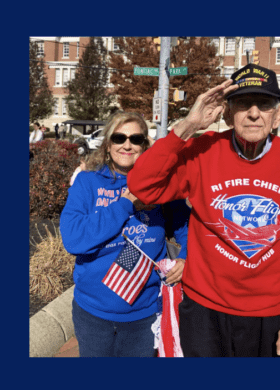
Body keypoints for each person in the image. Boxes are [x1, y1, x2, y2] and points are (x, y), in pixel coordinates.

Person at [127, 63, 280, 357]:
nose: (253, 113)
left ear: (278, 113)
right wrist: (187, 126)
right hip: (204, 309)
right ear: (226, 112)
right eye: (242, 104)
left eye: (263, 104)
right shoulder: (202, 150)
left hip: (270, 313)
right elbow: (143, 186)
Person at [60, 111, 189, 357]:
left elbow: (188, 227)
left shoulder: (160, 185)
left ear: (145, 146)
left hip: (144, 312)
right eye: (119, 138)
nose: (127, 145)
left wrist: (187, 258)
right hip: (93, 312)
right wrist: (125, 204)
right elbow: (74, 239)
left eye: (136, 139)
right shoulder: (87, 183)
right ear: (108, 145)